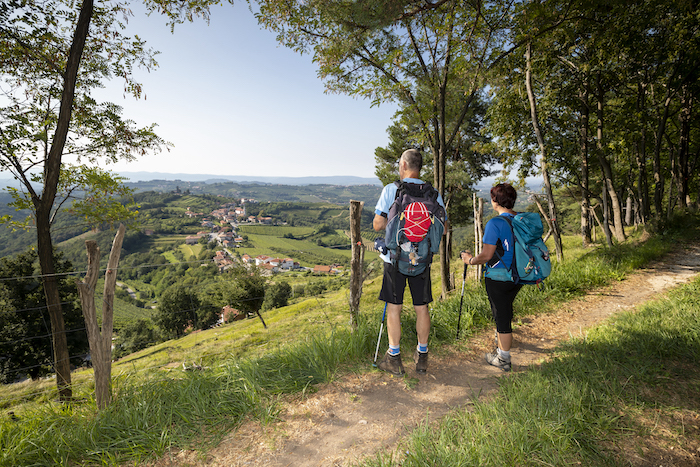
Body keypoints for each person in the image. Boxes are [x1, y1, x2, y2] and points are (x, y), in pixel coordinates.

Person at [373, 149, 445, 376]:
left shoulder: (391, 190)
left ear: (403, 164)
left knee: (395, 307)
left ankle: (394, 357)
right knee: (421, 307)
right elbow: (440, 226)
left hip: (395, 260)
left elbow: (377, 224)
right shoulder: (433, 194)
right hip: (422, 260)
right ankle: (422, 356)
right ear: (419, 166)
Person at [460, 183, 523, 372]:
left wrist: (470, 260)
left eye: (492, 198)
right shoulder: (519, 219)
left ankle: (503, 358)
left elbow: (487, 256)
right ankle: (500, 346)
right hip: (517, 274)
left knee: (501, 316)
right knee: (505, 310)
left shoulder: (495, 223)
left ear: (496, 201)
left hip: (498, 277)